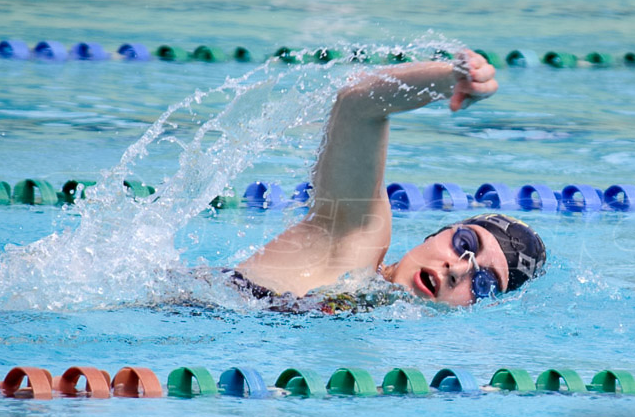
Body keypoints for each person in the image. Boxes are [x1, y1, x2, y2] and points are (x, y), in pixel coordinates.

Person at [230, 50, 546, 310]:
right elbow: (356, 104)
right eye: (465, 243)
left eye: (483, 283)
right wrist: (450, 78)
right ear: (437, 234)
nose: (457, 270)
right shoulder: (354, 242)